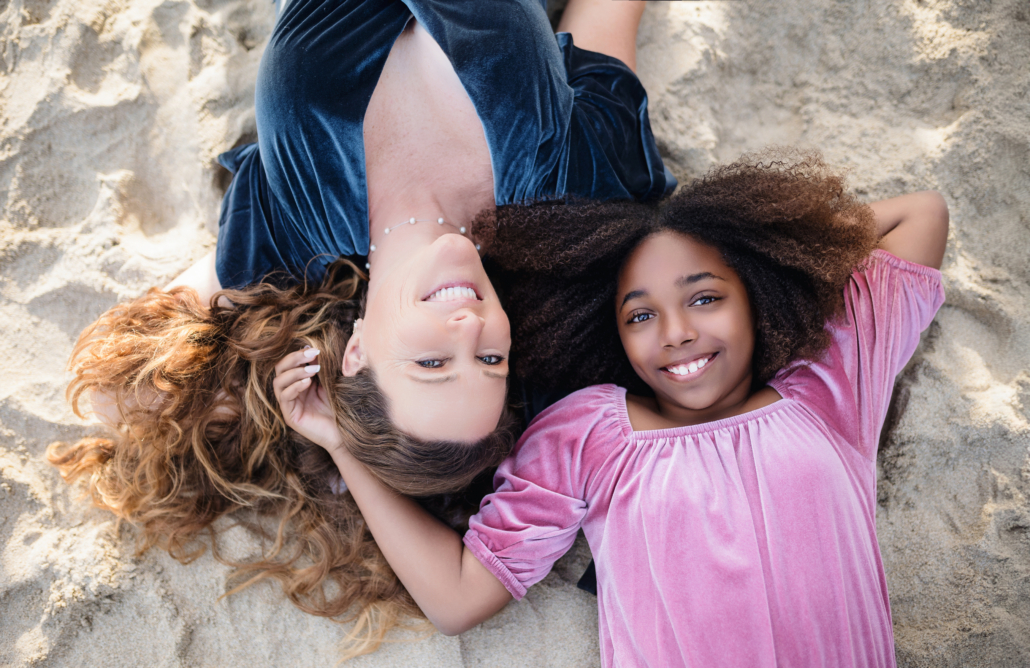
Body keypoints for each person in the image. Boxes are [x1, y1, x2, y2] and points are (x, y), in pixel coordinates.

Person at [47, 0, 672, 657]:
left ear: (359, 353)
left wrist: (341, 446)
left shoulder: (293, 231)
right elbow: (606, 21)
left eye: (432, 364)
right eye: (491, 359)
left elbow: (122, 398)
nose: (468, 329)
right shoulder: (562, 185)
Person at [273, 151, 950, 666]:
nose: (677, 332)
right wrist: (337, 442)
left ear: (756, 296)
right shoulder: (587, 434)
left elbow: (920, 213)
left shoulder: (830, 389)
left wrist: (778, 254)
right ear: (615, 335)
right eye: (641, 314)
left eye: (706, 296)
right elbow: (457, 597)